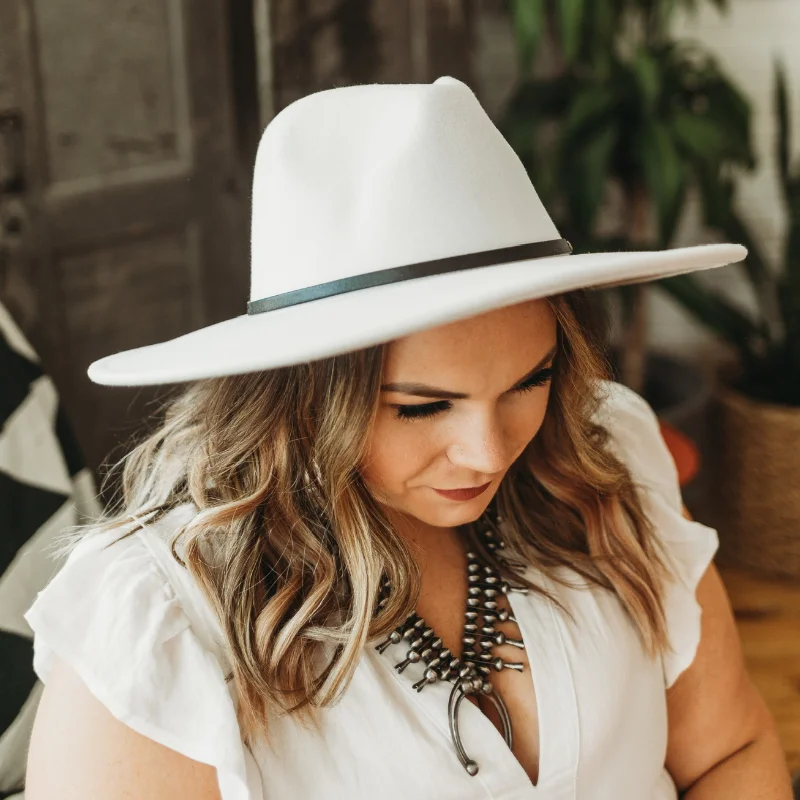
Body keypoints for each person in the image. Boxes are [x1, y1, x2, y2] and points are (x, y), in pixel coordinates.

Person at [22, 77, 792, 800]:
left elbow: (730, 752)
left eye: (530, 380)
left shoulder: (602, 462)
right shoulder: (156, 623)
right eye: (422, 408)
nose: (489, 452)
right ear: (297, 399)